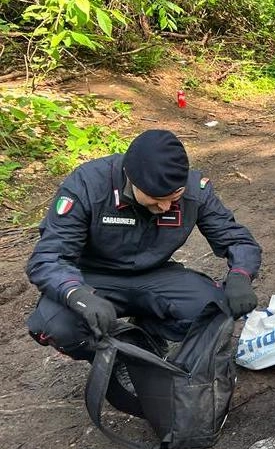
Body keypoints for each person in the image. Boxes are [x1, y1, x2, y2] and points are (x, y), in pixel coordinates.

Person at [25, 129, 261, 409]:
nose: (165, 206)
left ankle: (147, 335)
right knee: (56, 326)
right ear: (130, 178)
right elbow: (48, 258)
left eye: (174, 196)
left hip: (155, 276)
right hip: (93, 279)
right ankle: (119, 357)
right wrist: (77, 294)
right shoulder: (88, 185)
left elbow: (236, 239)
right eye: (155, 197)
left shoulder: (195, 190)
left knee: (215, 309)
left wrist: (240, 275)